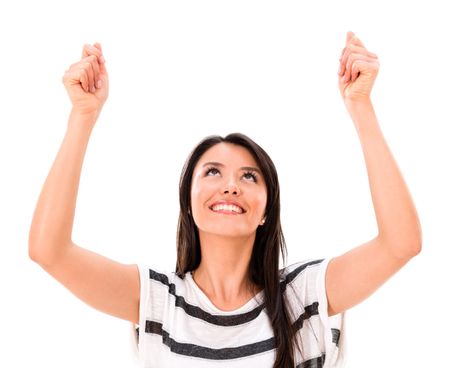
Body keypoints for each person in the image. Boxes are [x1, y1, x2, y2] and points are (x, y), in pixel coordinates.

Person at [28, 31, 422, 368]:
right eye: (212, 172)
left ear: (268, 210)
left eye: (249, 176)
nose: (230, 186)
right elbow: (49, 251)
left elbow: (401, 243)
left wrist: (361, 107)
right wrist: (82, 116)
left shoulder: (300, 297)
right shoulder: (159, 302)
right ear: (188, 201)